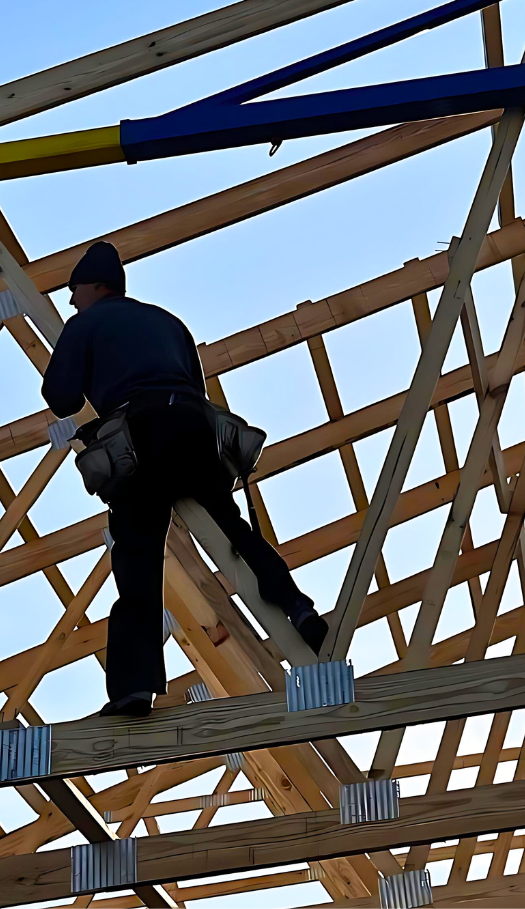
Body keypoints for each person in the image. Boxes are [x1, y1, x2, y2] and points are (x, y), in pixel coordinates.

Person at [42, 242, 328, 718]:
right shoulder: (169, 322)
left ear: (96, 285)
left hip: (141, 435)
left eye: (75, 291)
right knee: (233, 530)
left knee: (137, 553)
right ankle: (299, 611)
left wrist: (83, 358)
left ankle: (134, 690)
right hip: (195, 428)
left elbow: (61, 397)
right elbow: (194, 386)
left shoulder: (85, 324)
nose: (71, 301)